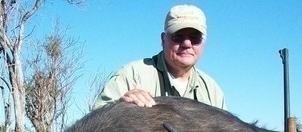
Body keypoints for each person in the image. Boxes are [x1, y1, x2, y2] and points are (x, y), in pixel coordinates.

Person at [94, 4, 225, 110]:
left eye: (195, 38)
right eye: (178, 36)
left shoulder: (213, 92)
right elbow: (94, 127)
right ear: (163, 39)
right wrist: (120, 107)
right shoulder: (130, 76)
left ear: (203, 43)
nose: (186, 44)